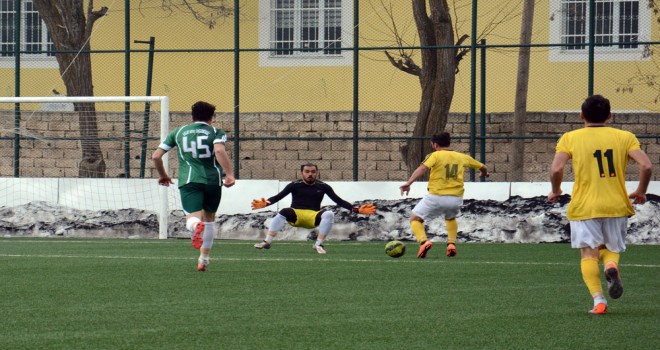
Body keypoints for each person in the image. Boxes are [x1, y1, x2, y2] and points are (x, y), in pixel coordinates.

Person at [548, 94, 652, 315]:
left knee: (588, 254)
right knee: (610, 250)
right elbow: (646, 165)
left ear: (581, 115)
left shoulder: (570, 138)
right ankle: (611, 266)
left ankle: (599, 301)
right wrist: (641, 191)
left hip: (585, 206)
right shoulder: (625, 137)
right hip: (616, 205)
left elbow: (556, 169)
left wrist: (556, 190)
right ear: (609, 115)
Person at [152, 101, 235, 272]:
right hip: (213, 181)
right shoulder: (216, 132)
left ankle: (196, 227)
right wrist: (230, 174)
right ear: (211, 117)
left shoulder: (179, 132)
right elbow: (219, 151)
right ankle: (203, 260)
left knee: (193, 219)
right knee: (210, 219)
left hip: (189, 181)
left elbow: (156, 156)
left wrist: (163, 175)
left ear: (192, 116)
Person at [251, 163, 376, 254]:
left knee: (329, 214)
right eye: (307, 171)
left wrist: (357, 209)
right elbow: (278, 197)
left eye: (313, 171)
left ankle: (318, 244)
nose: (310, 174)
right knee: (284, 211)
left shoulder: (323, 186)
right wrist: (266, 203)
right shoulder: (294, 185)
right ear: (302, 173)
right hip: (296, 215)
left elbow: (339, 201)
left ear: (316, 173)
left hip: (313, 217)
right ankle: (267, 242)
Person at [400, 132, 489, 259]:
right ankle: (451, 244)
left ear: (435, 144)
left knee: (415, 219)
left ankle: (424, 242)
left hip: (436, 196)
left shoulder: (434, 155)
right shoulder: (462, 157)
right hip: (456, 198)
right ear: (449, 143)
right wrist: (484, 173)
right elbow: (483, 167)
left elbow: (422, 168)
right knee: (450, 218)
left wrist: (409, 183)